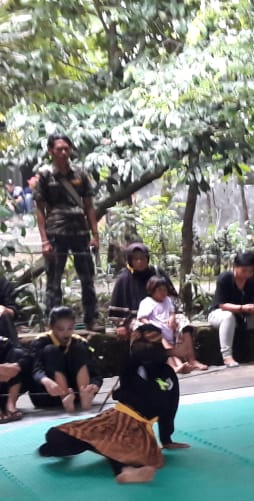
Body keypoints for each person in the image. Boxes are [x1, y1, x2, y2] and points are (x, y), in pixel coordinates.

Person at [37, 325, 189, 483]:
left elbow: (167, 407)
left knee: (117, 444)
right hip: (116, 417)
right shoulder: (132, 367)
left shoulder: (165, 373)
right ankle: (49, 450)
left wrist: (166, 438)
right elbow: (135, 375)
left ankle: (125, 472)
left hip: (138, 429)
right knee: (56, 435)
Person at [33, 132, 101, 330]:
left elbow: (89, 206)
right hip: (56, 233)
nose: (63, 152)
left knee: (87, 278)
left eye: (66, 148)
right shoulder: (45, 175)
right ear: (50, 151)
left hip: (80, 233)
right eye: (59, 149)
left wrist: (95, 235)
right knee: (54, 280)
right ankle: (53, 323)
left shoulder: (80, 174)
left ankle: (91, 318)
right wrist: (44, 240)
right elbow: (39, 209)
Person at [26, 306, 102, 411]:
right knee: (51, 350)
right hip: (49, 395)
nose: (66, 333)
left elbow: (95, 372)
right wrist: (46, 381)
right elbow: (35, 369)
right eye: (61, 329)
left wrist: (94, 385)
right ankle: (66, 398)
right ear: (50, 327)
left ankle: (85, 397)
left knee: (78, 349)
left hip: (76, 395)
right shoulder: (40, 342)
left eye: (70, 328)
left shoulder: (80, 342)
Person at [136, 276, 206, 373]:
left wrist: (172, 318)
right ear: (151, 289)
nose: (163, 292)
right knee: (167, 351)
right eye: (159, 289)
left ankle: (191, 360)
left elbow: (172, 311)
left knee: (184, 325)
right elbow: (142, 318)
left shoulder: (167, 300)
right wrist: (154, 329)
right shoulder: (147, 302)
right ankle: (175, 367)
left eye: (165, 289)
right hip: (158, 335)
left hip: (170, 332)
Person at [109, 243, 177, 339]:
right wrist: (121, 325)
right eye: (135, 259)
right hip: (137, 319)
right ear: (130, 260)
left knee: (184, 326)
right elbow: (117, 307)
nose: (139, 262)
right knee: (148, 331)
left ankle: (187, 352)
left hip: (165, 314)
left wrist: (172, 315)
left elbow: (172, 296)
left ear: (147, 258)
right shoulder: (124, 279)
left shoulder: (157, 272)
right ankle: (170, 351)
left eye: (142, 258)